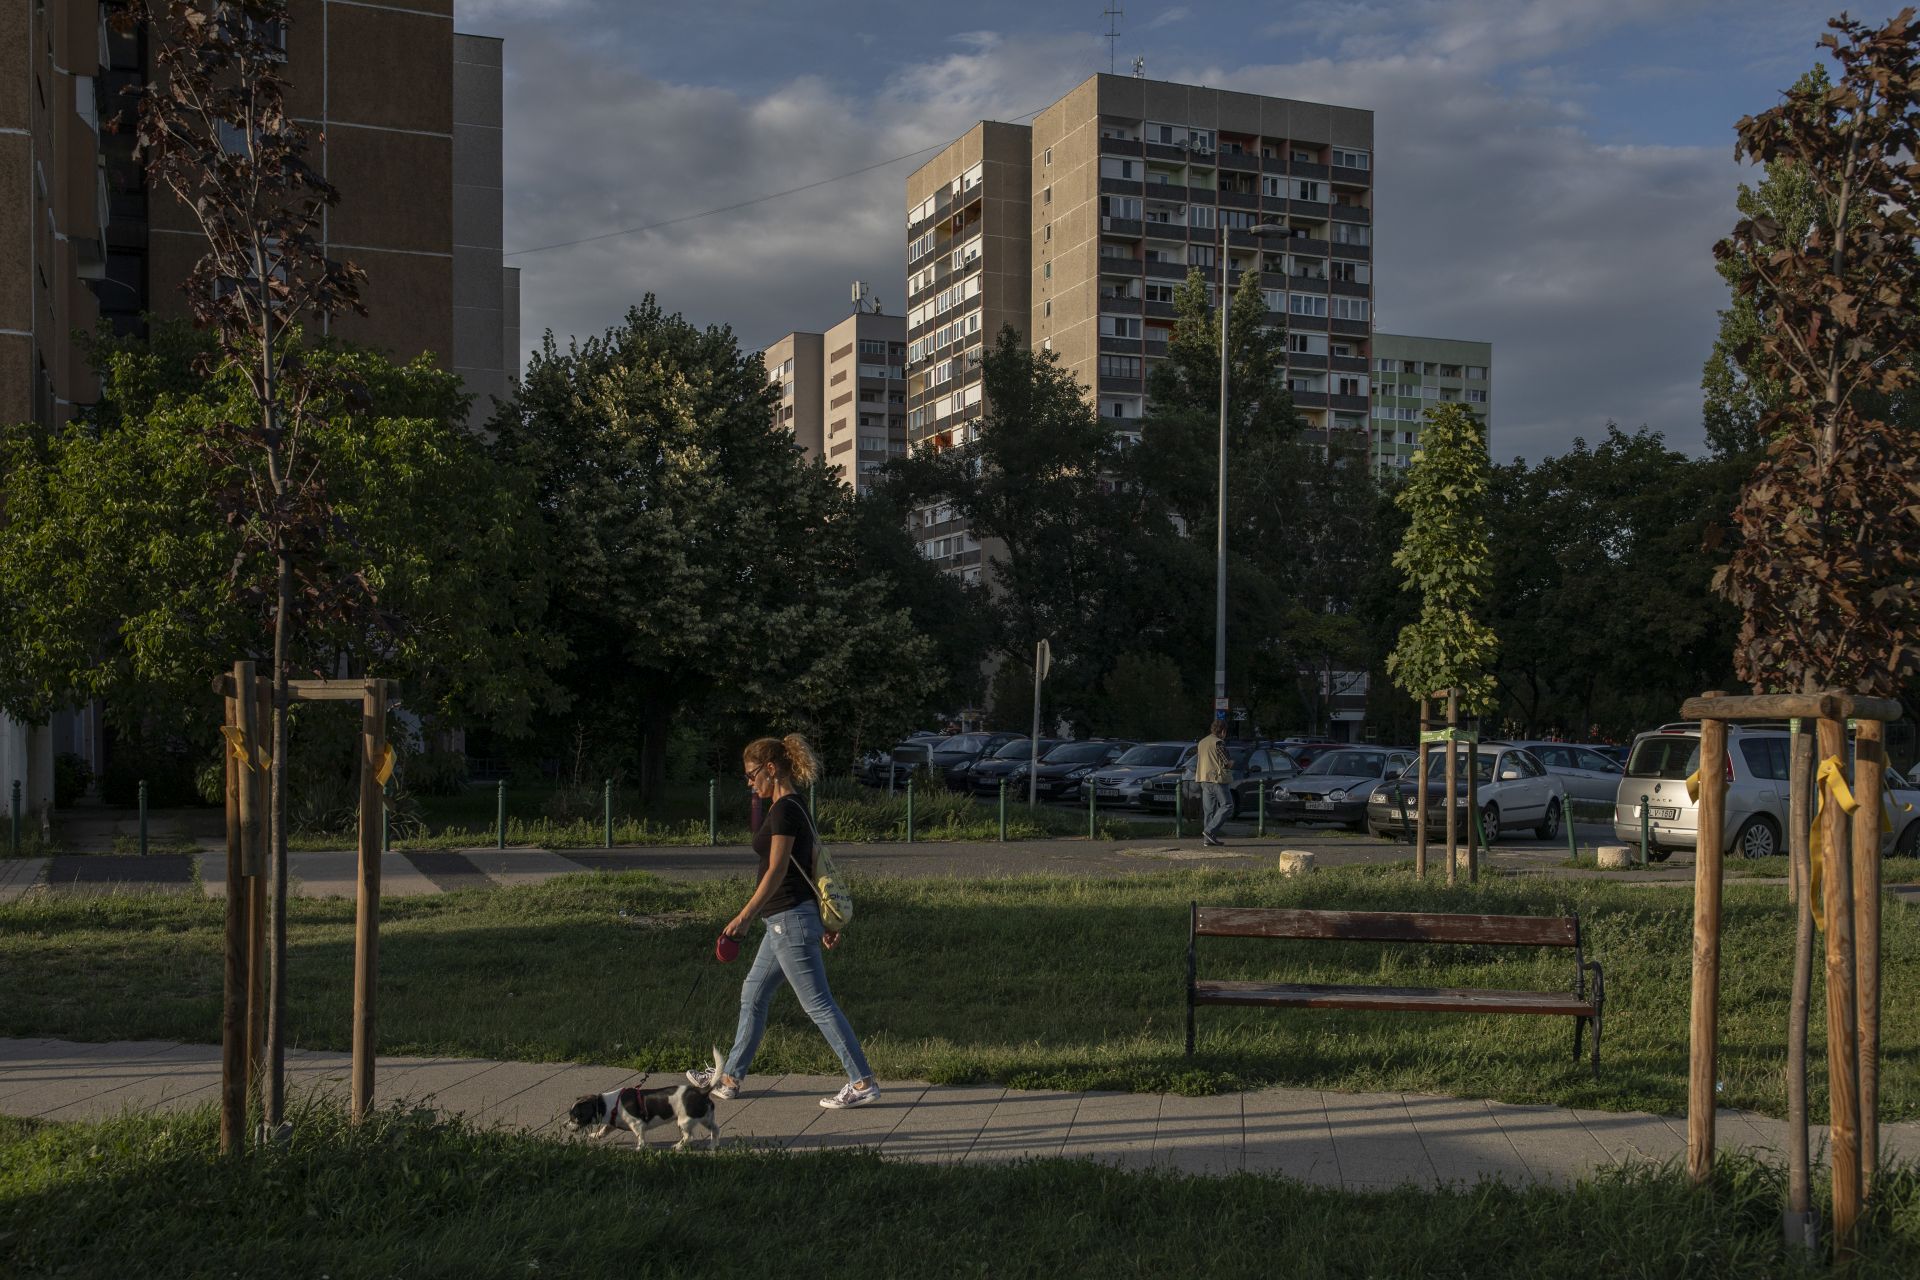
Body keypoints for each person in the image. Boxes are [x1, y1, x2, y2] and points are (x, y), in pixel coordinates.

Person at [688, 733, 879, 1110]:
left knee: (818, 1004)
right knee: (753, 994)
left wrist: (744, 916)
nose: (748, 781)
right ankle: (729, 1079)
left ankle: (862, 1082)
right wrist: (823, 922)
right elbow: (807, 867)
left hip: (788, 920)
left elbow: (777, 870)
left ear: (770, 769)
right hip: (788, 919)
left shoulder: (785, 810)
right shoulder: (792, 806)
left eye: (751, 773)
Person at [1195, 717, 1233, 847]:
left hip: (1203, 778)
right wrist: (1232, 763)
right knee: (1227, 805)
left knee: (1209, 810)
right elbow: (1226, 762)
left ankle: (1208, 839)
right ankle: (1209, 831)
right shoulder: (1219, 743)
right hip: (1217, 779)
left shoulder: (1202, 742)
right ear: (1223, 731)